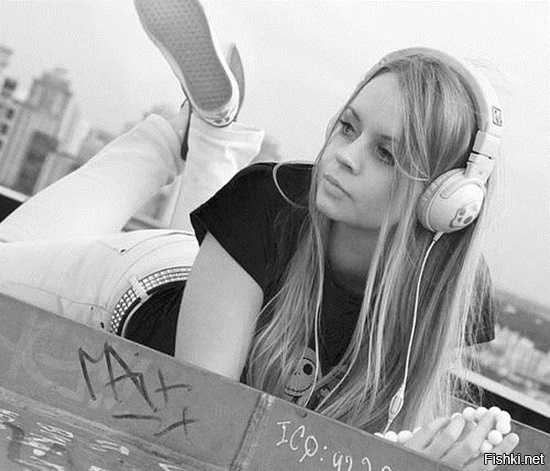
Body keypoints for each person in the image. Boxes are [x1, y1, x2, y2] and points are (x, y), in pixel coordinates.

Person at [0, 0, 519, 468]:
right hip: (129, 291)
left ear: (444, 201)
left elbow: (522, 463)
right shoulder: (269, 202)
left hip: (214, 285)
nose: (345, 156)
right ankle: (173, 136)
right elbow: (201, 434)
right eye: (347, 127)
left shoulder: (447, 286)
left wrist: (459, 457)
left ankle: (210, 134)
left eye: (386, 153)